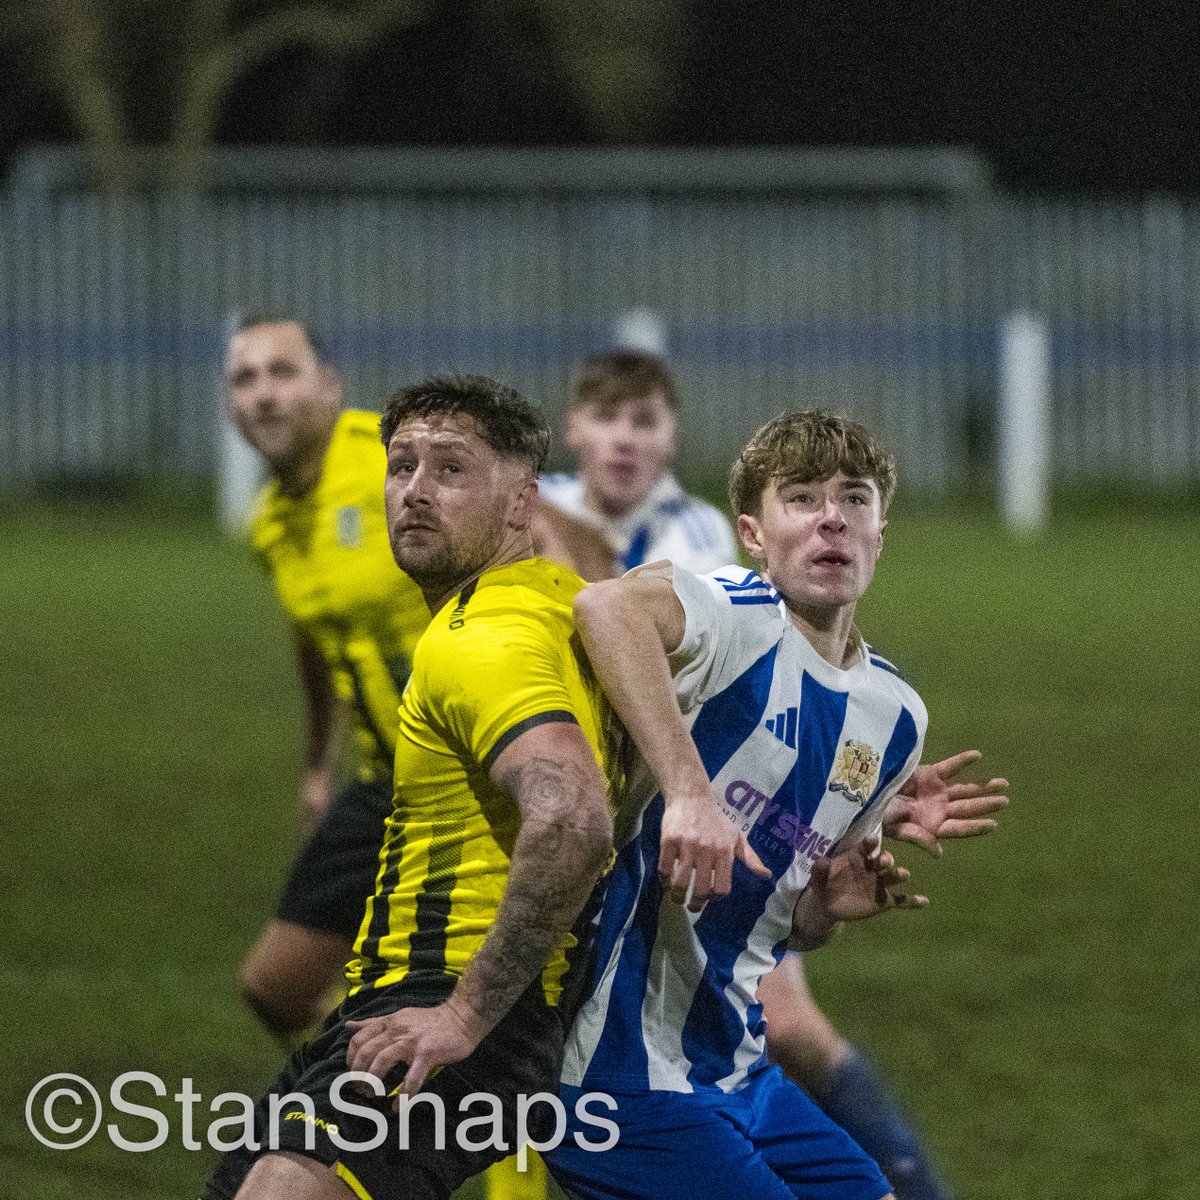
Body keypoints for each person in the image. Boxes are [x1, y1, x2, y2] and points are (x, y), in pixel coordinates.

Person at [539, 350, 988, 1200]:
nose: (832, 520)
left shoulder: (895, 715)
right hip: (616, 1071)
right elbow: (604, 607)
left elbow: (790, 924)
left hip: (737, 1066)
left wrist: (824, 908)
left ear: (880, 533)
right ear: (752, 534)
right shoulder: (734, 615)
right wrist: (686, 787)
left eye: (854, 500)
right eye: (804, 498)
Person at [204, 374, 618, 1200]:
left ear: (518, 505)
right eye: (403, 468)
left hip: (451, 1006)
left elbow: (573, 817)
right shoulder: (558, 606)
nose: (415, 493)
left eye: (452, 470)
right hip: (409, 1003)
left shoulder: (478, 641)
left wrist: (467, 1012)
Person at [223, 315, 430, 1042]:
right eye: (245, 380)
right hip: (383, 783)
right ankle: (392, 1102)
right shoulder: (270, 524)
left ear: (330, 386)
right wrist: (318, 759)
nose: (264, 396)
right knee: (274, 989)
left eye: (283, 372)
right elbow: (316, 637)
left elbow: (537, 541)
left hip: (475, 777)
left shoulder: (398, 463)